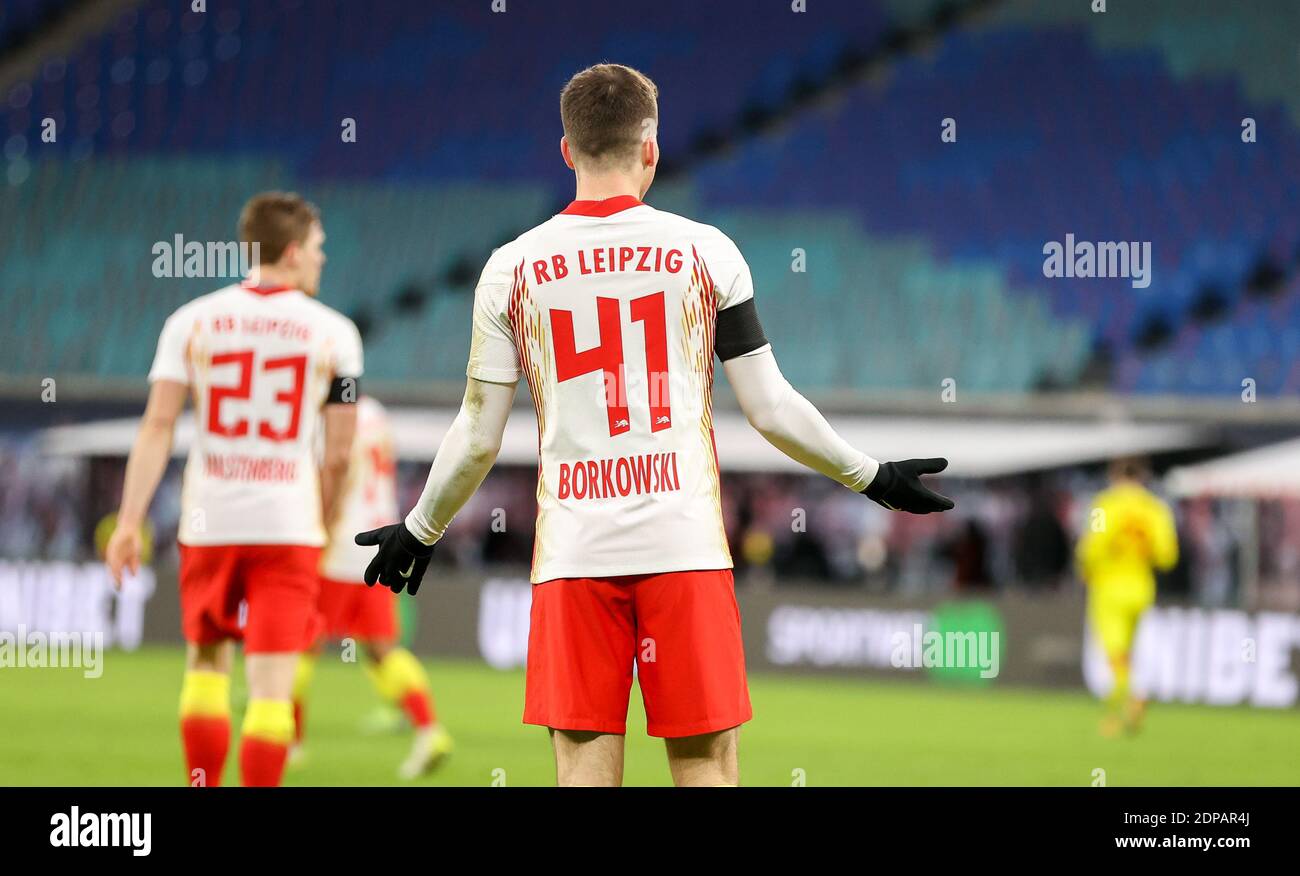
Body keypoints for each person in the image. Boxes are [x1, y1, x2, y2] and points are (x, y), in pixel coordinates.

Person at [355, 64, 953, 786]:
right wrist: (872, 476)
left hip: (574, 557)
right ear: (652, 149)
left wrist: (419, 527)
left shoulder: (509, 270)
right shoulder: (707, 252)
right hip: (685, 549)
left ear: (567, 151)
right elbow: (770, 408)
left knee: (582, 770)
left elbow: (478, 436)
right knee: (705, 767)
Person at [105, 192, 363, 787]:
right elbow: (340, 451)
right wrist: (322, 520)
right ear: (294, 253)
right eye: (319, 250)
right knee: (272, 691)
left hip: (209, 521)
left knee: (205, 667)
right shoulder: (336, 335)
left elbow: (158, 426)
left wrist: (127, 522)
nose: (323, 261)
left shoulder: (189, 321)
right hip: (287, 526)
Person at [292, 395, 452, 779]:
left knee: (301, 643)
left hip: (340, 546)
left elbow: (337, 466)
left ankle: (290, 740)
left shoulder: (328, 417)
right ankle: (430, 730)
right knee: (381, 648)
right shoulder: (376, 414)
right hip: (381, 541)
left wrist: (322, 529)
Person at [1076, 457, 1178, 737]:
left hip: (1109, 588)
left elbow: (1092, 547)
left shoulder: (1106, 505)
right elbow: (1167, 555)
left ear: (1115, 476)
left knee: (1114, 655)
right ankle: (1126, 706)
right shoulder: (1155, 508)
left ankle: (1125, 706)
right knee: (1126, 654)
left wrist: (1084, 568)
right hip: (1141, 587)